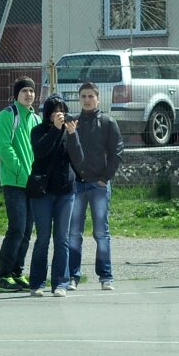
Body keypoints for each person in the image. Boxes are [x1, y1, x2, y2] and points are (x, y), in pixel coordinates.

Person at [64, 82, 123, 291]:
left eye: (91, 96)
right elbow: (67, 153)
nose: (87, 100)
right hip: (76, 186)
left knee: (101, 232)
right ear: (79, 99)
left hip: (98, 185)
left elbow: (117, 153)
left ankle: (106, 276)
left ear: (98, 98)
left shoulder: (107, 122)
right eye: (83, 96)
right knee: (73, 233)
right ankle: (72, 276)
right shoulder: (72, 123)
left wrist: (105, 178)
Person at [26, 95, 78, 297]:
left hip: (66, 191)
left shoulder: (69, 130)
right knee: (43, 238)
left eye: (61, 110)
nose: (59, 114)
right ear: (47, 113)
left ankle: (61, 283)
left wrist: (72, 136)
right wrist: (56, 130)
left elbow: (77, 156)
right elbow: (41, 152)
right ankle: (37, 283)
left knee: (62, 238)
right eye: (54, 110)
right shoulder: (37, 131)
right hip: (42, 192)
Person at [0, 76, 40, 292]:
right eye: (24, 91)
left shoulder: (36, 119)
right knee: (17, 228)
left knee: (27, 231)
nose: (29, 94)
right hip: (14, 181)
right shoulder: (7, 116)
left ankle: (17, 272)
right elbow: (4, 147)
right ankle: (2, 275)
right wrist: (22, 173)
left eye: (31, 91)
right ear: (16, 94)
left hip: (32, 183)